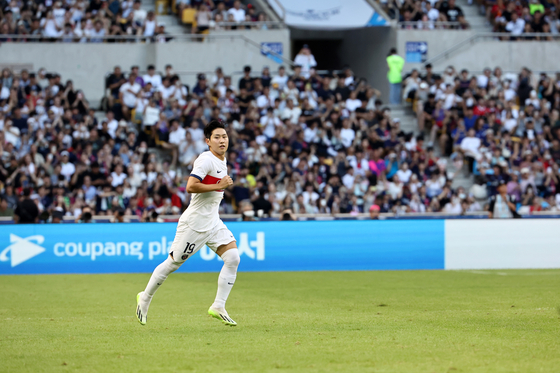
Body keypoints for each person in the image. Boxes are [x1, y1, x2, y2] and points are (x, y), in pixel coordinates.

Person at [137, 120, 240, 327]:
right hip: (194, 224)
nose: (222, 140)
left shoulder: (222, 159)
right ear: (207, 141)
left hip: (213, 222)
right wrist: (219, 185)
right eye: (217, 137)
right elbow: (190, 186)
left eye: (224, 136)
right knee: (172, 264)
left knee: (233, 257)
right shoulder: (205, 159)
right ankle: (145, 297)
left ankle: (218, 306)